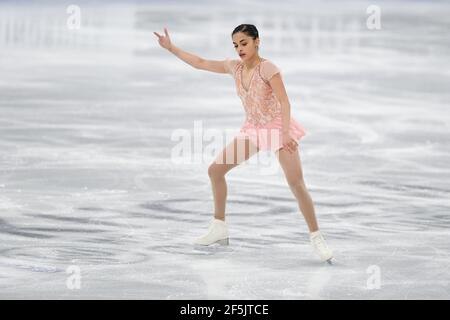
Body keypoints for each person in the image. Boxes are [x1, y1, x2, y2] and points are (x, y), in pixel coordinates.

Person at [153, 24, 333, 263]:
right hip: (254, 128)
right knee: (215, 170)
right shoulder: (234, 67)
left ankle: (316, 237)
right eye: (236, 45)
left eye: (244, 43)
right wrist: (171, 48)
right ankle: (219, 227)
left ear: (257, 41)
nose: (239, 49)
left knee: (296, 183)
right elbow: (200, 62)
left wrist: (287, 132)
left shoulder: (268, 68)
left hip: (277, 127)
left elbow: (285, 102)